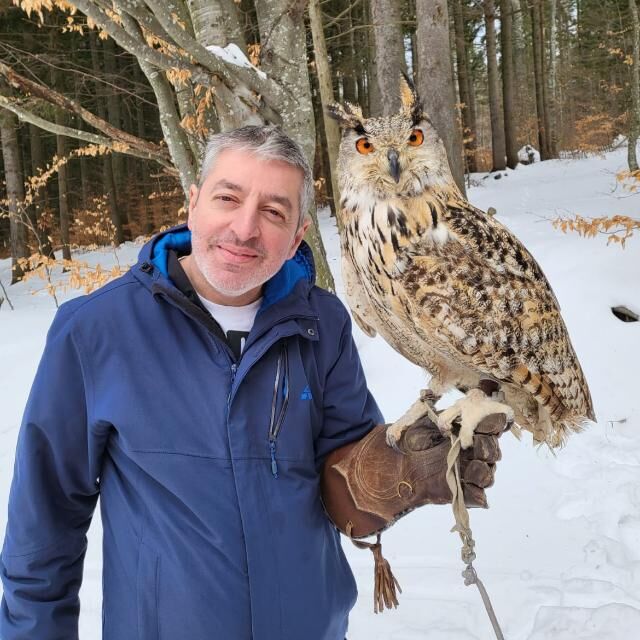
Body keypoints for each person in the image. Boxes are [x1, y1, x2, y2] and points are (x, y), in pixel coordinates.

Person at [0, 125, 502, 640]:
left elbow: (346, 488)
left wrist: (399, 474)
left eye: (273, 212)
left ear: (297, 236)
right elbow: (44, 525)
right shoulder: (96, 330)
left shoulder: (321, 325)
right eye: (228, 198)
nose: (244, 229)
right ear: (193, 203)